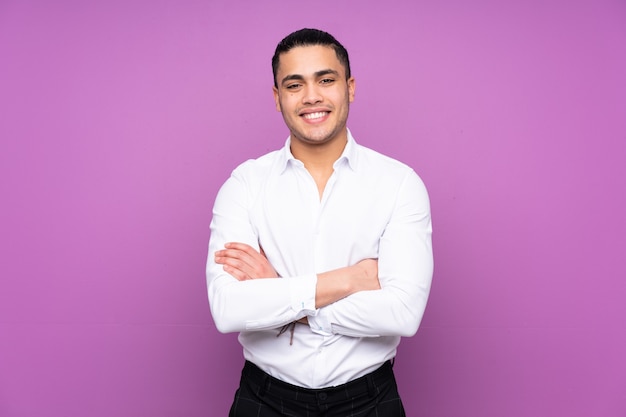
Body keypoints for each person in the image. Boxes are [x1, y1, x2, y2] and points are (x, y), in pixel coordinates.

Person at [206, 28, 433, 417]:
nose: (312, 96)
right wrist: (348, 280)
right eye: (295, 84)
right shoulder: (245, 184)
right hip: (263, 399)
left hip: (370, 401)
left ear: (350, 87)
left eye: (326, 80)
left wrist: (280, 294)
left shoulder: (399, 184)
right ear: (278, 99)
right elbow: (228, 309)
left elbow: (403, 314)